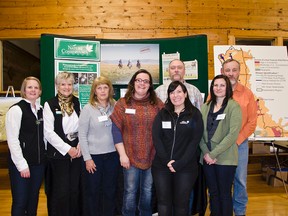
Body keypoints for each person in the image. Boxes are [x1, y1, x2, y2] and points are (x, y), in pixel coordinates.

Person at [110, 69, 164, 216]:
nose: (142, 83)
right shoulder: (123, 104)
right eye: (139, 80)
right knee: (130, 191)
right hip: (129, 157)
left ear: (150, 85)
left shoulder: (157, 104)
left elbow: (166, 127)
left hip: (152, 156)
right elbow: (116, 131)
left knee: (147, 191)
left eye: (146, 81)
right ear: (133, 82)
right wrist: (122, 155)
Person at [152, 81, 204, 216]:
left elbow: (194, 142)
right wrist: (166, 161)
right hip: (162, 166)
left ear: (185, 94)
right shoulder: (162, 113)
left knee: (181, 203)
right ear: (169, 95)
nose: (176, 95)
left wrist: (179, 163)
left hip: (186, 167)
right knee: (163, 202)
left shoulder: (195, 114)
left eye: (179, 92)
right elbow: (157, 138)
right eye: (172, 92)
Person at [199, 74, 242, 216]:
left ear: (227, 87)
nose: (218, 88)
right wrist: (206, 153)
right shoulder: (205, 107)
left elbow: (232, 135)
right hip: (206, 158)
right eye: (215, 85)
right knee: (213, 193)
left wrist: (213, 154)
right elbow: (199, 132)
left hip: (226, 158)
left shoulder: (233, 106)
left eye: (222, 85)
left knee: (224, 194)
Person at [78, 76, 120, 216]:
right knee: (93, 191)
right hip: (94, 157)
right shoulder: (88, 108)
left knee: (110, 190)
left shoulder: (116, 106)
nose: (102, 91)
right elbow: (82, 134)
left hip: (113, 156)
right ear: (94, 91)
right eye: (99, 88)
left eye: (105, 87)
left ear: (110, 90)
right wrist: (87, 158)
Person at [221, 59, 257, 216]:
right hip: (220, 147)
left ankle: (240, 212)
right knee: (221, 181)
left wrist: (236, 140)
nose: (230, 73)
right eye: (227, 70)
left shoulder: (247, 93)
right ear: (222, 72)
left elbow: (252, 122)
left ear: (239, 72)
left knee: (240, 181)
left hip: (239, 145)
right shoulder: (216, 90)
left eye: (234, 70)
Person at [43, 72, 83, 216]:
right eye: (63, 84)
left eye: (70, 84)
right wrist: (68, 149)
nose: (67, 87)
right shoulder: (50, 104)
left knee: (75, 190)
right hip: (58, 155)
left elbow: (81, 126)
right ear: (57, 86)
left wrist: (79, 145)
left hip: (77, 152)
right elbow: (48, 133)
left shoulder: (77, 102)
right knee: (61, 192)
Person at [5, 76, 46, 216]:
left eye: (36, 87)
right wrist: (22, 165)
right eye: (30, 87)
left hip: (38, 165)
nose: (33, 90)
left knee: (33, 200)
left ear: (40, 91)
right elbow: (12, 140)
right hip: (21, 166)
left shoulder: (41, 110)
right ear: (24, 90)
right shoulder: (16, 110)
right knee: (20, 201)